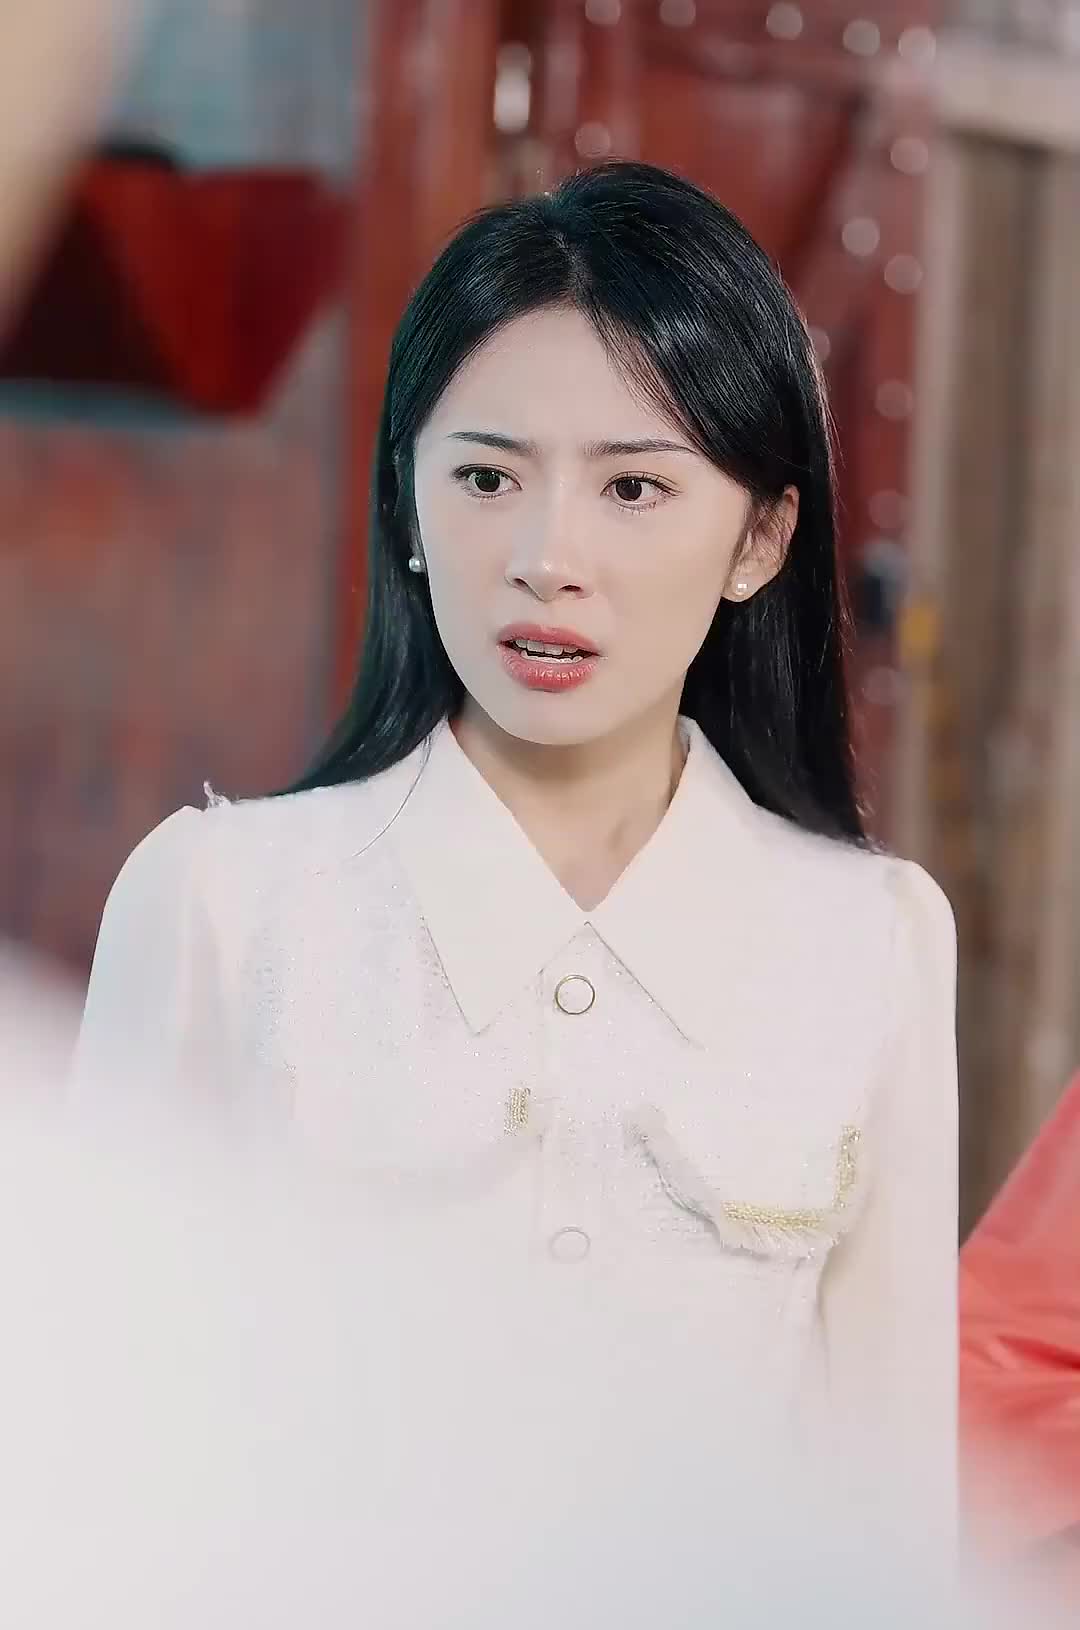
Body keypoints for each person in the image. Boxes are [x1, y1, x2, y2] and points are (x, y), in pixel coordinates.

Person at [73, 161, 959, 1556]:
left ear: (762, 538)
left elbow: (892, 1522)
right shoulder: (223, 905)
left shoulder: (872, 938)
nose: (549, 556)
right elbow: (93, 1473)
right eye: (487, 477)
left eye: (634, 487)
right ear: (410, 505)